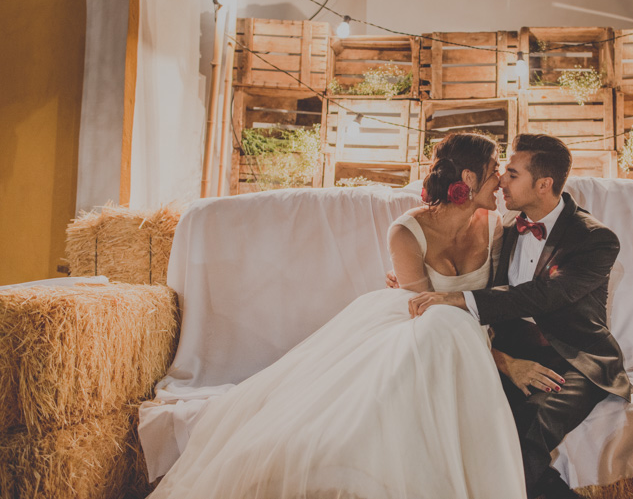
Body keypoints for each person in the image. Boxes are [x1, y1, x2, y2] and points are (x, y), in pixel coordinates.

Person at [147, 133, 527, 499]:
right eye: (496, 170)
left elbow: (495, 297)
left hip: (461, 329)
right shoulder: (407, 232)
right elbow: (421, 309)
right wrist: (503, 361)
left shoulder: (497, 227)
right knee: (438, 324)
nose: (501, 182)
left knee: (446, 322)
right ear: (468, 178)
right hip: (420, 329)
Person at [409, 133, 633, 499]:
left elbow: (544, 295)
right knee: (462, 426)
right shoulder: (503, 229)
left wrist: (459, 299)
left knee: (523, 433)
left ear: (544, 184)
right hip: (508, 355)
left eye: (512, 174)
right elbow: (473, 272)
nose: (500, 180)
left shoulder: (595, 239)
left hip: (573, 359)